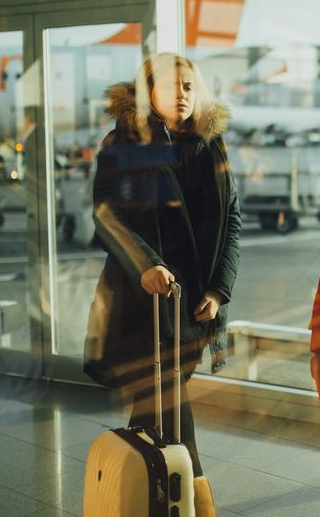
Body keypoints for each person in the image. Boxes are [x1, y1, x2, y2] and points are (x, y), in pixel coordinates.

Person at [83, 52, 240, 517]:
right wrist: (147, 263)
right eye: (172, 86)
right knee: (168, 405)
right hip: (143, 303)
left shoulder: (211, 144)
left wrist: (218, 290)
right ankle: (195, 507)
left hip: (194, 308)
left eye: (190, 85)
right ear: (148, 93)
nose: (183, 93)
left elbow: (232, 220)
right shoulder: (123, 144)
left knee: (157, 412)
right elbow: (106, 215)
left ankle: (133, 497)